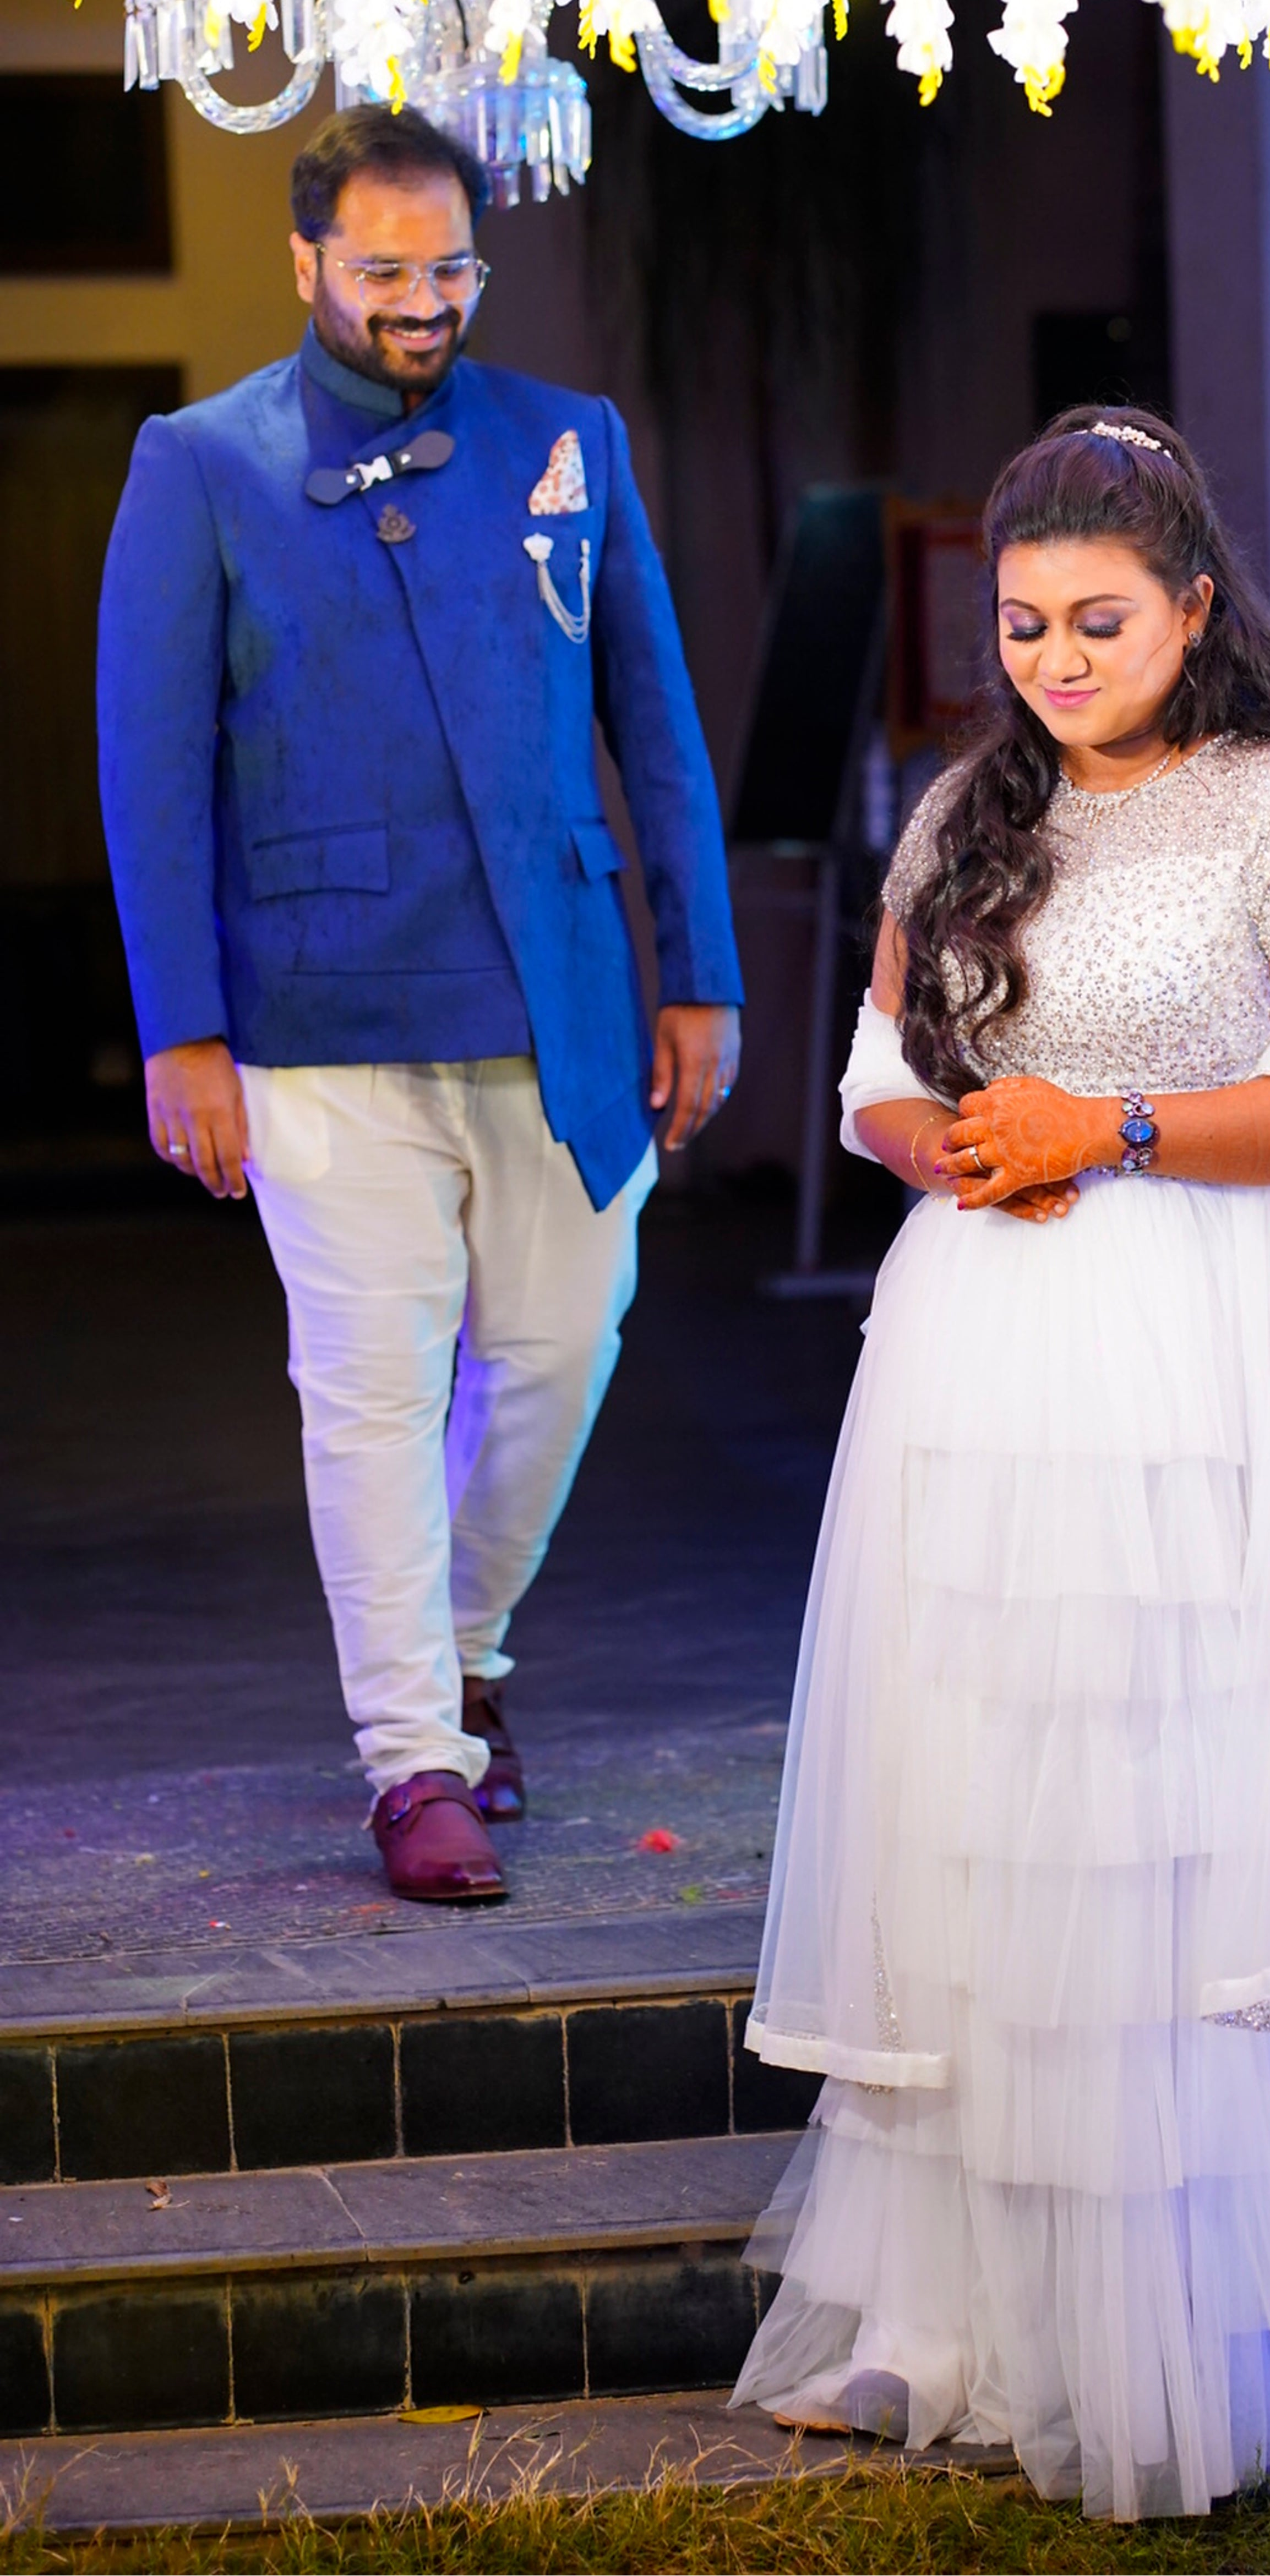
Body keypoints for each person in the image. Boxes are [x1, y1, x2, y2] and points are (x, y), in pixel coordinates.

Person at [732, 409, 1270, 2517]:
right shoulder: (967, 808)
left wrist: (1103, 1124)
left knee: (1204, 1817)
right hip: (993, 1351)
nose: (1053, 658)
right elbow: (874, 1070)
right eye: (1024, 623)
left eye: (1098, 622)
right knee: (1000, 1817)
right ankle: (962, 2315)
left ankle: (1250, 2309)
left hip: (1211, 1355)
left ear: (1195, 609)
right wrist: (945, 1137)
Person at [96, 106, 742, 1904]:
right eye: (382, 271)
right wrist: (182, 1031)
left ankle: (467, 1652)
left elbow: (657, 733)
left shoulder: (568, 441)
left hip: (564, 1001)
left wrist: (699, 975)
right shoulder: (202, 461)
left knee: (559, 1350)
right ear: (307, 262)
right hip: (315, 1009)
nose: (420, 301)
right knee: (368, 1395)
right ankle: (412, 1761)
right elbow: (150, 772)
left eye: (448, 268)